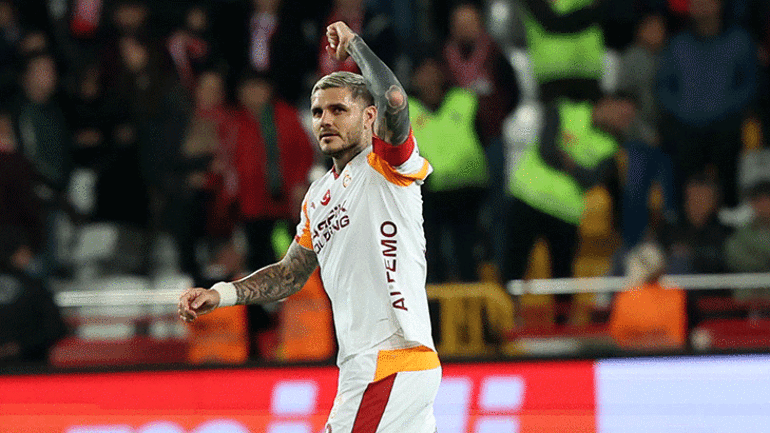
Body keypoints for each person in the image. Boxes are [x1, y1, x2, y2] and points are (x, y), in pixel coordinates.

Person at [179, 21, 441, 433]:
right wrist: (222, 293)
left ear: (369, 117)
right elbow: (289, 274)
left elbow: (393, 98)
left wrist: (355, 45)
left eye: (339, 110)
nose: (325, 120)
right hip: (371, 366)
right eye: (318, 112)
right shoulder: (318, 196)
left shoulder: (387, 165)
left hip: (389, 363)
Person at [609, 242, 687, 351]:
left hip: (635, 357)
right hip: (666, 356)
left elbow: (617, 339)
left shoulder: (625, 297)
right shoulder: (676, 294)